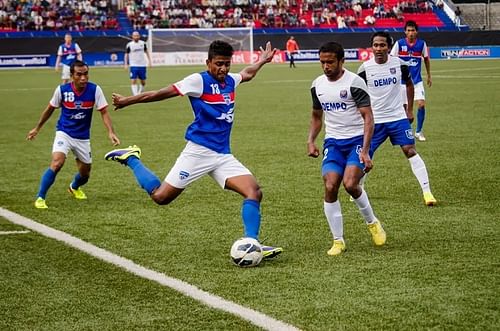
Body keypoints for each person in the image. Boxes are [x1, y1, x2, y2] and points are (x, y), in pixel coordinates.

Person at [104, 40, 283, 260]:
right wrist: (127, 101)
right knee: (161, 197)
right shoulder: (198, 81)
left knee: (253, 191)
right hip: (198, 152)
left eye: (227, 64)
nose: (223, 69)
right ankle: (131, 158)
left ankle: (252, 243)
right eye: (218, 64)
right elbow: (161, 93)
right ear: (208, 62)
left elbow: (247, 73)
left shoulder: (229, 81)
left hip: (222, 155)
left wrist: (262, 61)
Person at [307, 41, 386, 256]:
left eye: (330, 62)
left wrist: (366, 150)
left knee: (350, 184)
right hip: (333, 142)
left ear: (342, 61)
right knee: (331, 185)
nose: (326, 66)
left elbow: (368, 118)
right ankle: (338, 240)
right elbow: (316, 117)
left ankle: (372, 223)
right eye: (322, 62)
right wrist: (311, 140)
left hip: (356, 140)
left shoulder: (355, 83)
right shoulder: (317, 85)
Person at [27, 60, 120, 209]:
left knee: (85, 174)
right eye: (79, 74)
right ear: (72, 76)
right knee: (57, 162)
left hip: (83, 137)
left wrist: (111, 132)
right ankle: (40, 197)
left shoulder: (95, 90)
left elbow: (104, 112)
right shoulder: (62, 90)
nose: (83, 78)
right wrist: (37, 128)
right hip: (64, 132)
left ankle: (74, 187)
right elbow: (50, 109)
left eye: (85, 74)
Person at [357, 31, 437, 206]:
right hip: (375, 120)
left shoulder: (400, 64)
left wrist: (408, 109)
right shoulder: (364, 69)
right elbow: (359, 96)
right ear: (372, 47)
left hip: (397, 118)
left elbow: (409, 84)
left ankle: (427, 193)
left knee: (410, 150)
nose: (378, 49)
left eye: (382, 45)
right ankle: (359, 187)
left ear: (388, 47)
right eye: (375, 45)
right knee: (365, 154)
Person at [390, 20, 431, 141]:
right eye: (408, 30)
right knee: (404, 109)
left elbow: (426, 59)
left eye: (413, 30)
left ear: (416, 32)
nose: (411, 32)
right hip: (402, 83)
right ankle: (405, 132)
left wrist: (429, 75)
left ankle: (418, 131)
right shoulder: (399, 44)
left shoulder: (421, 44)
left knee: (421, 104)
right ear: (405, 32)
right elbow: (391, 59)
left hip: (417, 82)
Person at [124, 31, 153, 96]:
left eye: (137, 35)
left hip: (142, 65)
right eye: (134, 35)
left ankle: (140, 91)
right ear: (132, 36)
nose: (136, 37)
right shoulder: (129, 45)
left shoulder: (143, 43)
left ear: (139, 36)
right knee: (133, 80)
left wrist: (150, 62)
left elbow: (147, 52)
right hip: (133, 65)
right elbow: (126, 54)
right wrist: (126, 64)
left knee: (143, 82)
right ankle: (135, 95)